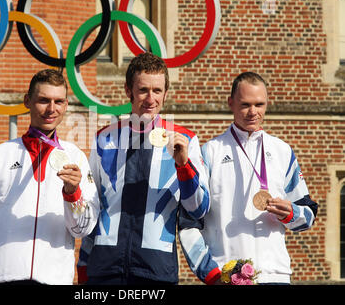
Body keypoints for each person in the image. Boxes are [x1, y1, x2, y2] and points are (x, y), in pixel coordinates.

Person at [77, 52, 219, 285]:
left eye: (157, 91)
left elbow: (198, 209)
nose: (150, 98)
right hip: (104, 270)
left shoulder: (185, 140)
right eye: (143, 90)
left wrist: (183, 166)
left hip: (155, 270)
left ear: (165, 94)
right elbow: (94, 205)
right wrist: (83, 267)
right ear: (128, 91)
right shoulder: (105, 138)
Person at [0, 69, 99, 285]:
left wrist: (73, 194)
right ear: (28, 101)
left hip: (53, 279)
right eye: (43, 100)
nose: (51, 109)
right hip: (1, 277)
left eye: (59, 102)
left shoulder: (76, 158)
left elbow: (82, 229)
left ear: (66, 105)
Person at [200, 71, 318, 284]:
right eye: (245, 104)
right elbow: (193, 218)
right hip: (228, 275)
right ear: (231, 103)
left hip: (275, 275)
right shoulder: (210, 152)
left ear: (267, 104)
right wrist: (211, 272)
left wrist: (291, 213)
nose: (253, 112)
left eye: (259, 104)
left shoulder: (282, 151)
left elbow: (308, 215)